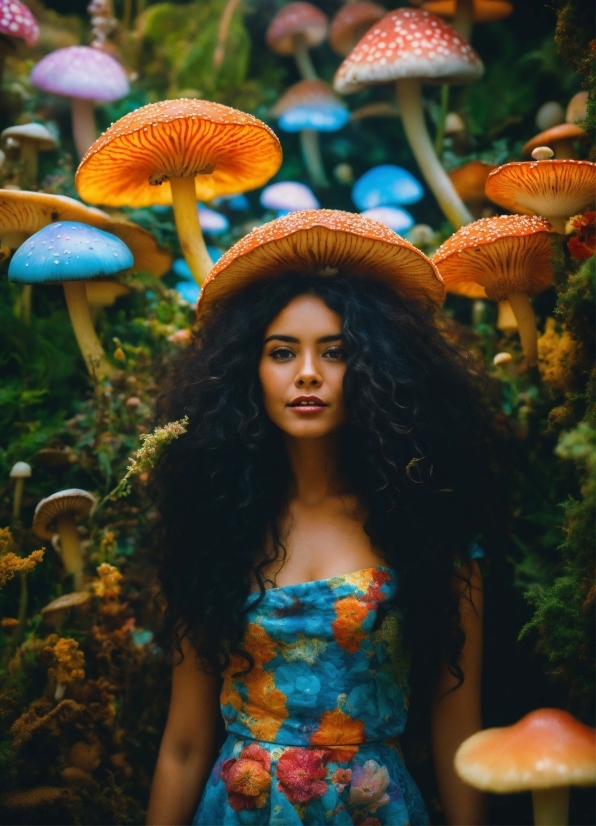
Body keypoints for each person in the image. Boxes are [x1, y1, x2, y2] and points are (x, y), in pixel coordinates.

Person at [146, 210, 494, 826]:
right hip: (239, 809)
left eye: (335, 352)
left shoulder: (429, 524)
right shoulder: (214, 524)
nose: (307, 371)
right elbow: (184, 743)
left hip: (371, 809)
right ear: (249, 371)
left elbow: (456, 730)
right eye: (282, 352)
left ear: (379, 369)